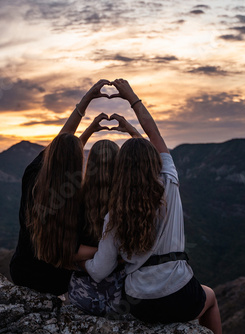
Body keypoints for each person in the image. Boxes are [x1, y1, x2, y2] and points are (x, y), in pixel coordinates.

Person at [83, 79, 222, 333]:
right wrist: (131, 99)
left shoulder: (114, 213)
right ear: (154, 164)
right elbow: (154, 135)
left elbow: (100, 271)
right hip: (179, 294)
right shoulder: (169, 183)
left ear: (121, 169)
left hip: (140, 303)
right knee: (210, 297)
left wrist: (80, 260)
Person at [9, 79, 110, 295]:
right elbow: (73, 250)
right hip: (56, 281)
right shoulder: (75, 198)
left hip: (22, 272)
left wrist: (86, 103)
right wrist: (110, 252)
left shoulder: (33, 177)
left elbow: (62, 144)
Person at [69, 115, 142, 316]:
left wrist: (82, 258)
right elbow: (152, 161)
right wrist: (131, 130)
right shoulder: (129, 202)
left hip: (82, 294)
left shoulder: (75, 200)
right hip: (121, 294)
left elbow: (62, 157)